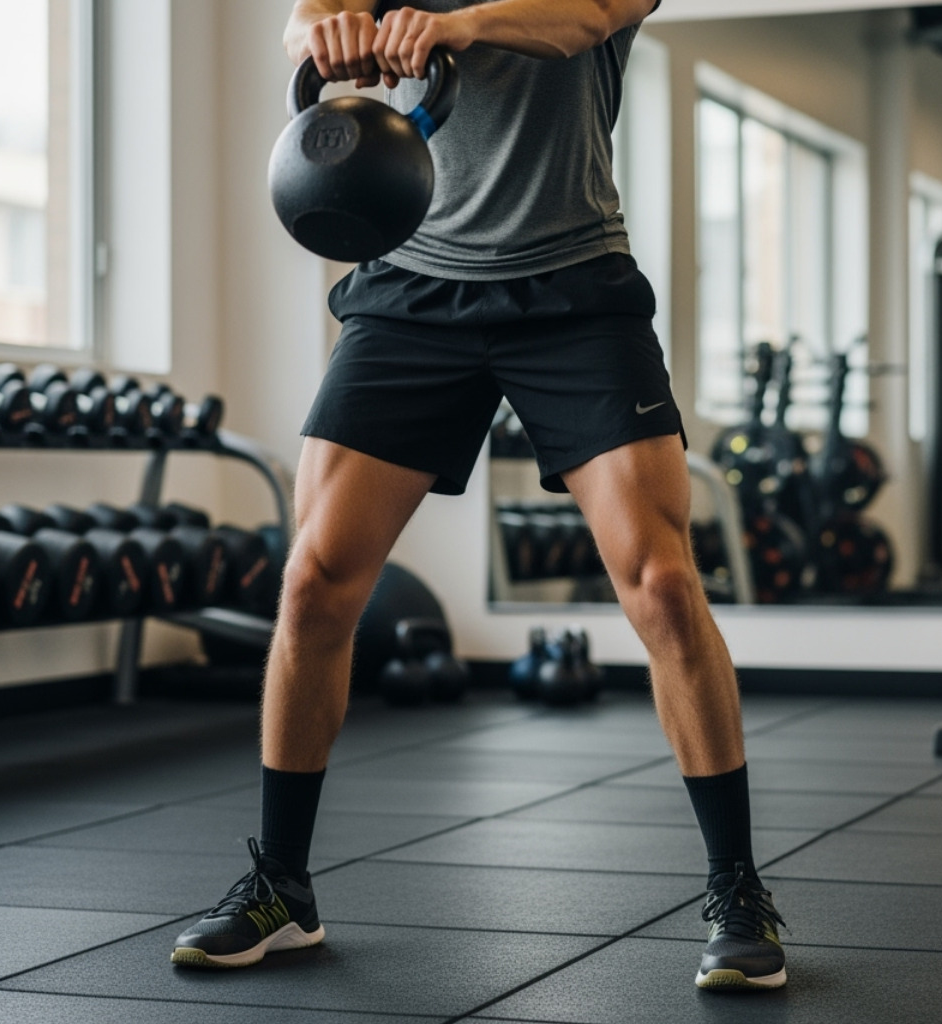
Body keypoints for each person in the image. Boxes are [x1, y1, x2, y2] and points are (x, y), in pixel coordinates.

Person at [169, 0, 788, 992]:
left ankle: (738, 891)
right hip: (412, 291)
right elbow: (305, 21)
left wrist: (456, 26)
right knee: (315, 581)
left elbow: (587, 17)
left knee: (665, 585)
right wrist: (327, 37)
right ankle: (281, 885)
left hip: (573, 289)